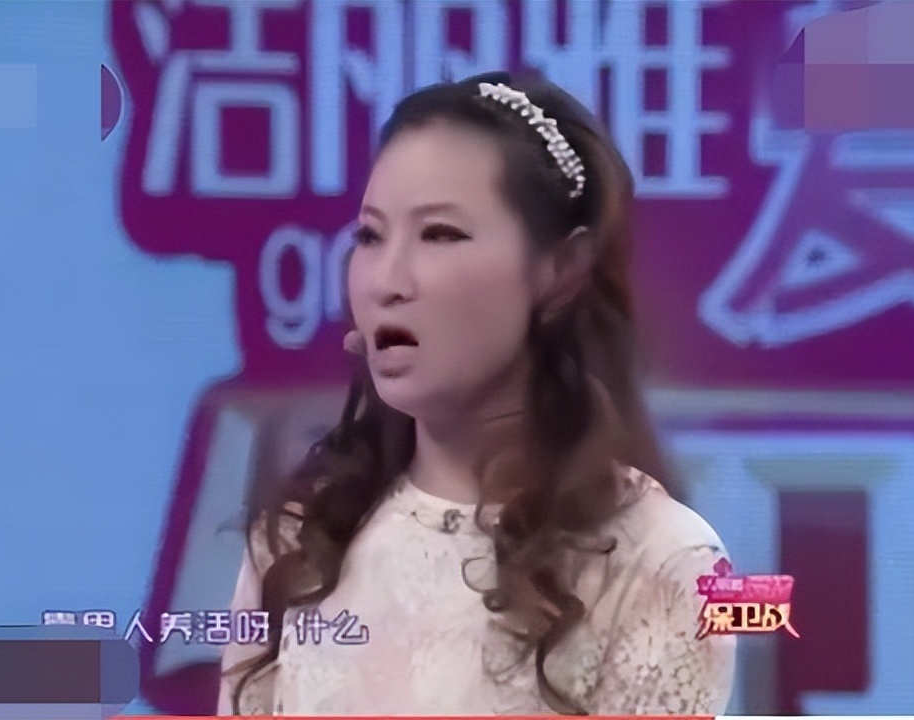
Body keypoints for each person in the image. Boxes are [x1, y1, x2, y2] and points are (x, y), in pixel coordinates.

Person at [217, 70, 735, 716]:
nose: (386, 281)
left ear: (562, 268)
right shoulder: (302, 539)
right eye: (370, 237)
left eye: (440, 234)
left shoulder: (660, 562)